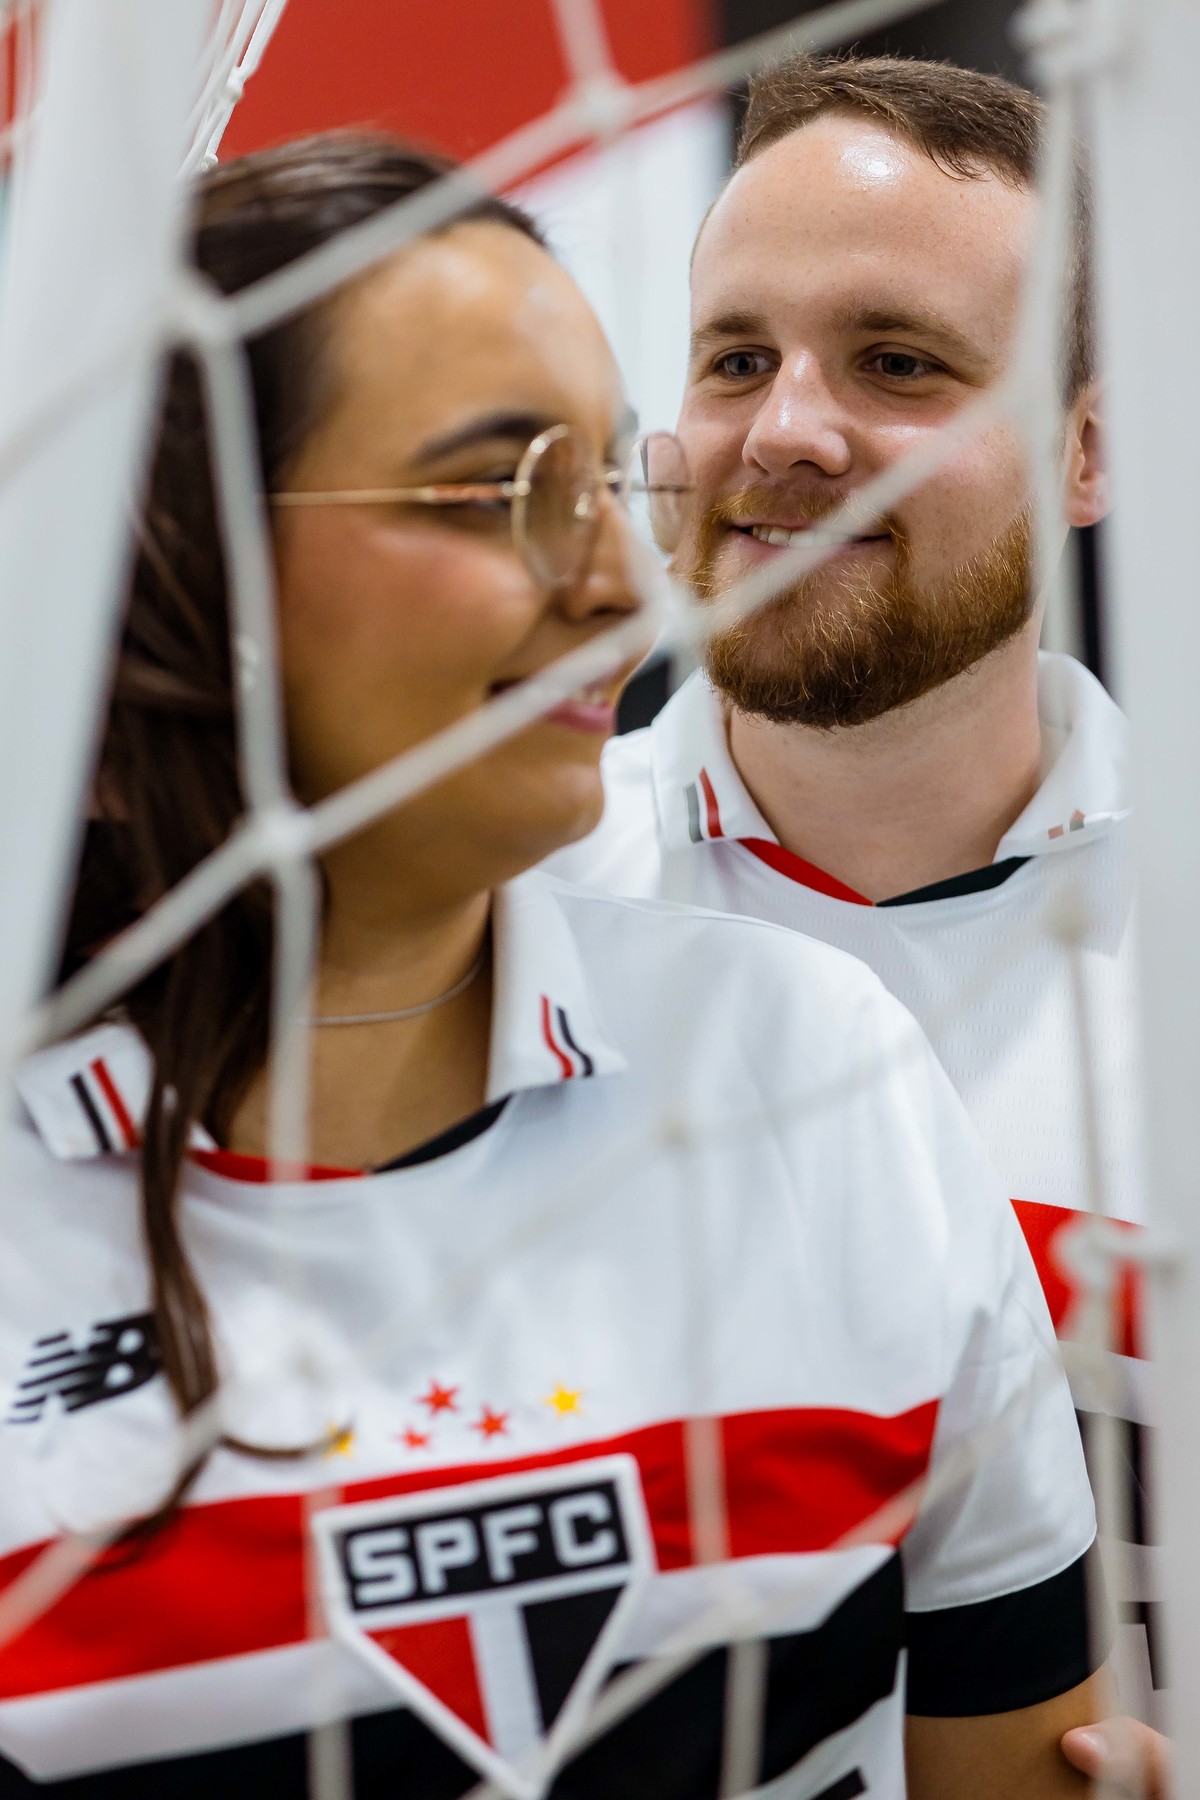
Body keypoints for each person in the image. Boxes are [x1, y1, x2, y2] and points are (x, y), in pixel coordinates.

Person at [0, 134, 1102, 1799]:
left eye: (601, 482)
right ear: (166, 559)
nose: (619, 593)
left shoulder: (815, 1065)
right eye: (499, 489)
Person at [547, 49, 1165, 1791]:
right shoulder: (467, 929)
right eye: (736, 357)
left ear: (1090, 445)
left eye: (897, 364)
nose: (786, 434)